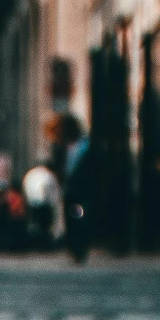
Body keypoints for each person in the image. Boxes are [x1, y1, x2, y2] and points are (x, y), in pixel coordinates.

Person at [57, 112, 95, 263]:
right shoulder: (65, 146)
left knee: (80, 217)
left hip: (81, 190)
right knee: (70, 218)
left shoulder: (84, 146)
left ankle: (80, 247)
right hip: (69, 189)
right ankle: (73, 247)